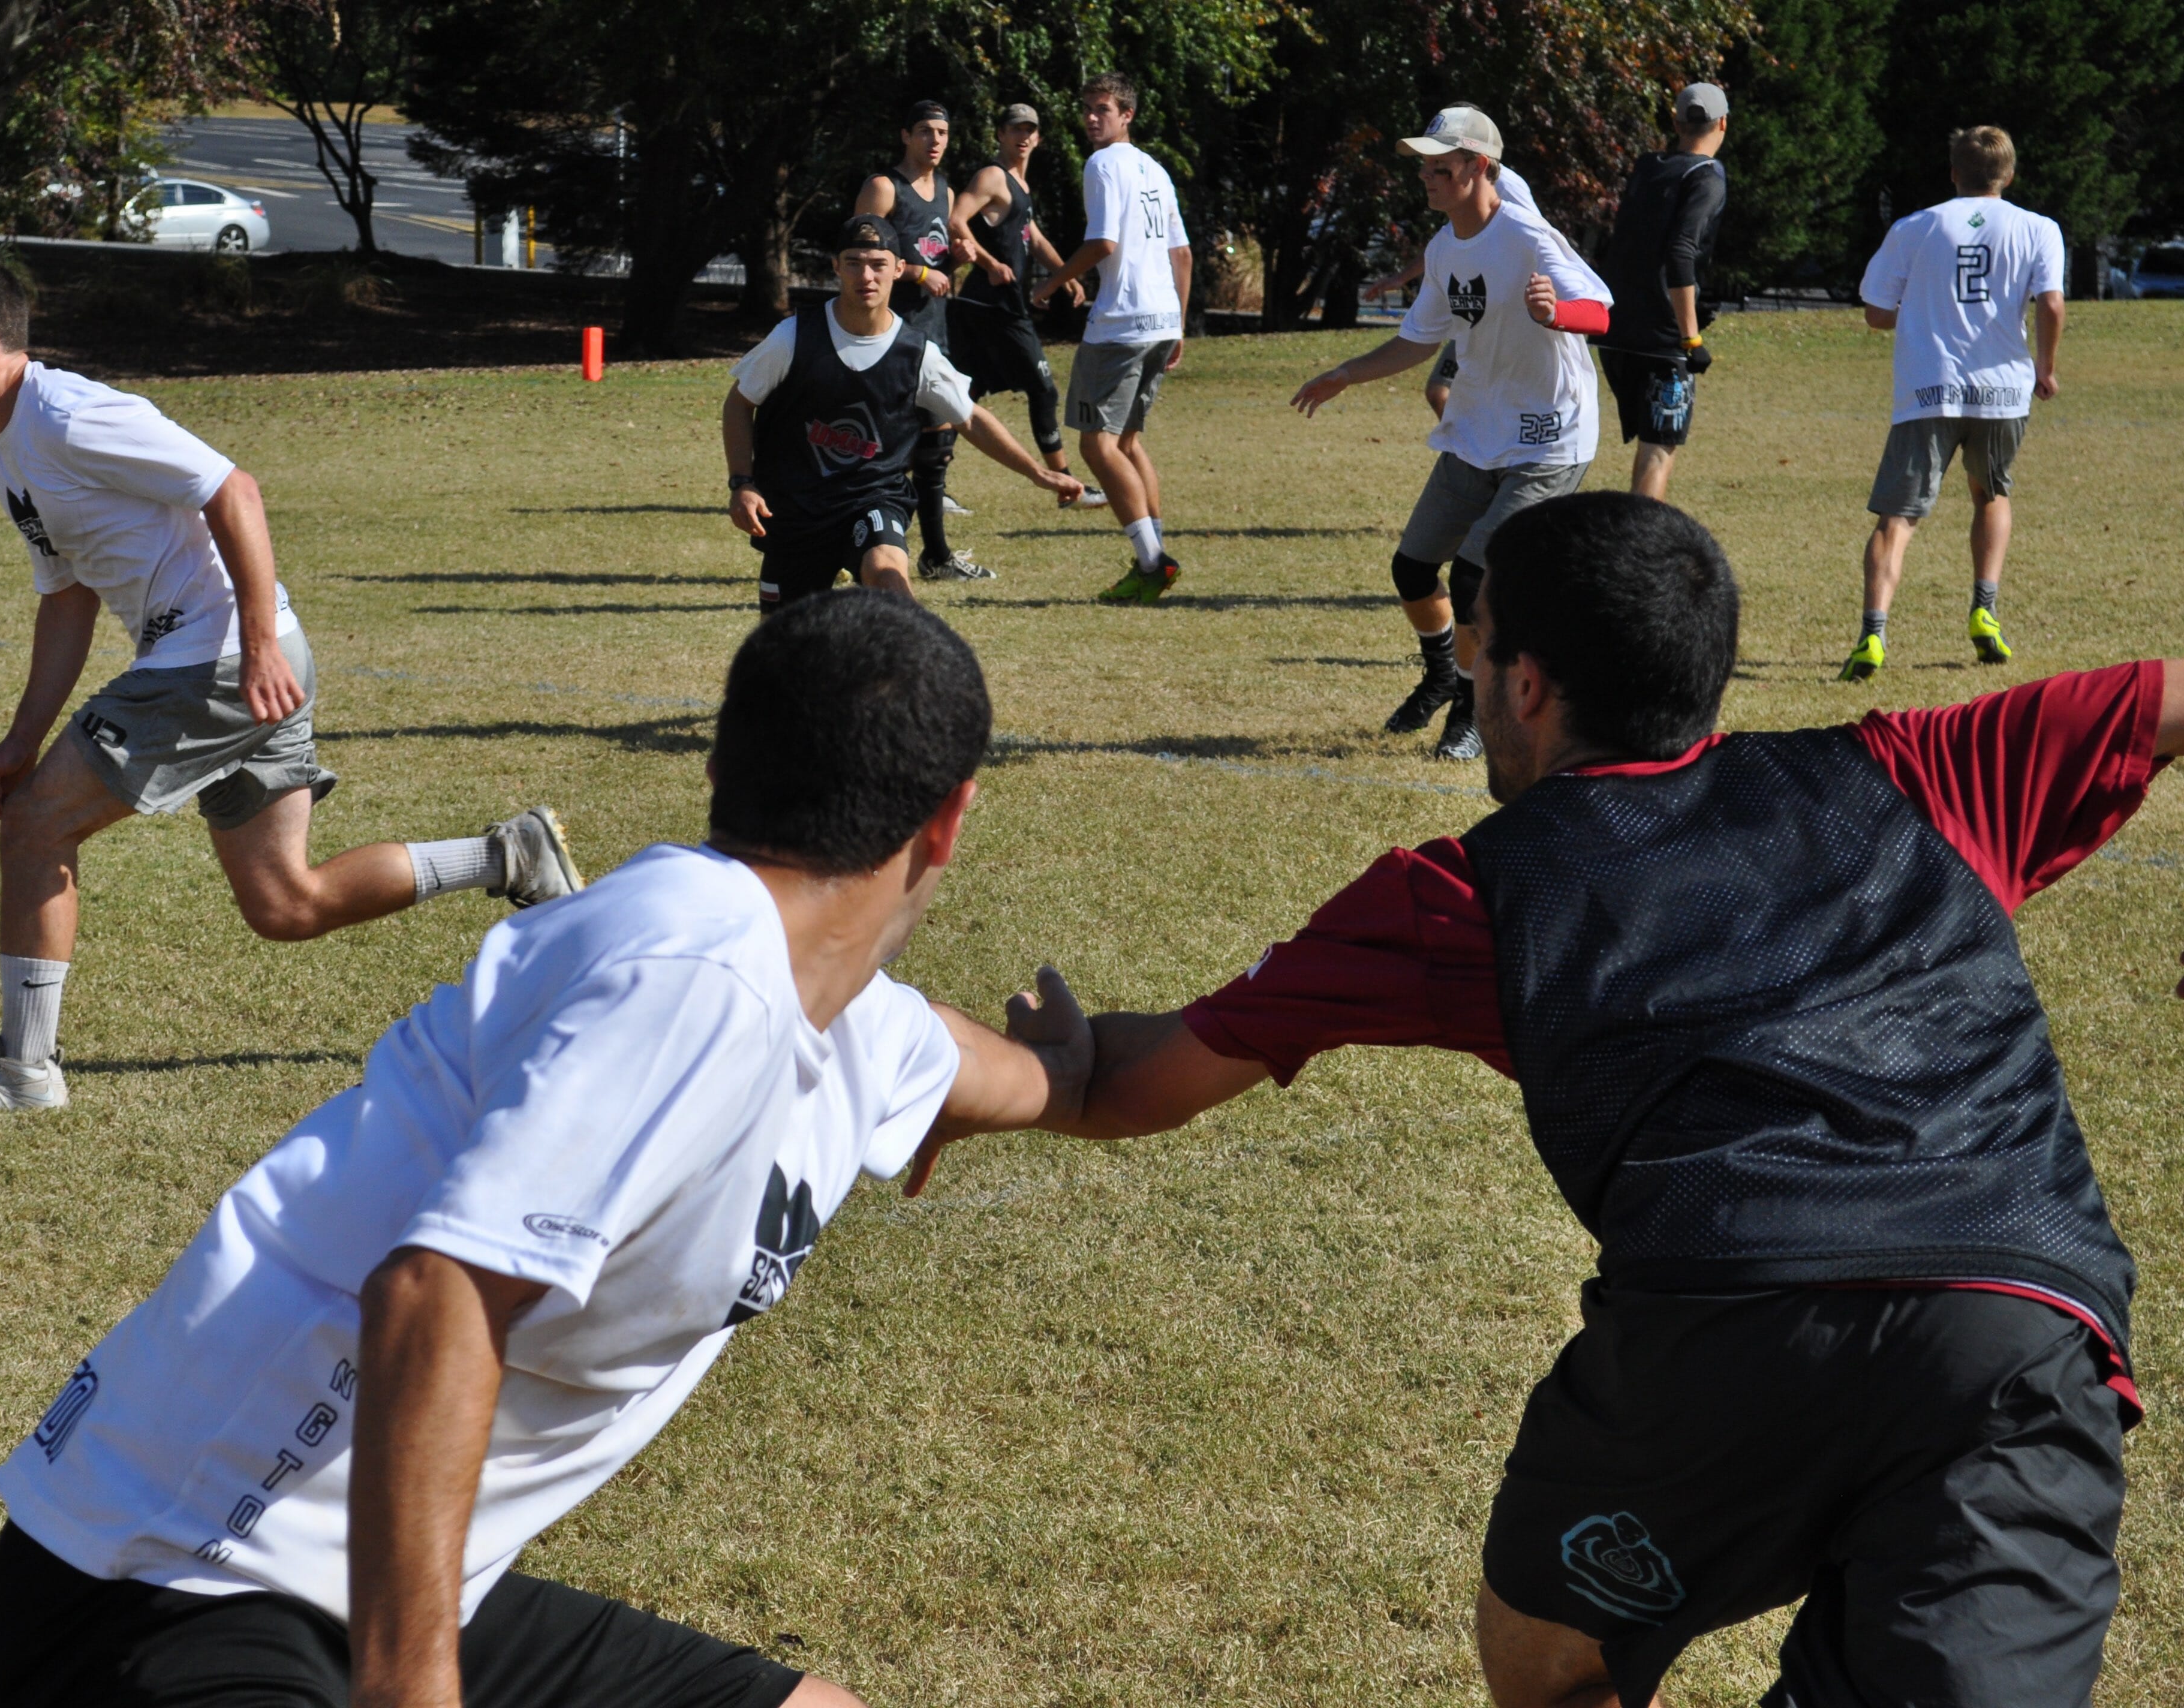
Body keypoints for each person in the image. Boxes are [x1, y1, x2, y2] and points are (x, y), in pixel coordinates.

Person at [925, 491, 2170, 1708]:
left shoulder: (1465, 893)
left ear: (1526, 684)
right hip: (2024, 1318)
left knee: (1550, 1653)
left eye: (1473, 656)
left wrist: (1025, 1065)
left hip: (1728, 1322)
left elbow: (1143, 1084)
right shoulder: (1916, 771)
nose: (1470, 682)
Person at [0, 591, 1068, 1708]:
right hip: (177, 1573)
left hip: (370, 1578)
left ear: (722, 764)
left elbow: (1080, 1080)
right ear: (949, 820)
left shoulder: (855, 1020)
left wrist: (1260, 1018)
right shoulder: (698, 965)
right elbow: (435, 1291)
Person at [0, 241, 580, 1114]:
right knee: (286, 903)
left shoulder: (67, 416)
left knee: (35, 830)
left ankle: (25, 1073)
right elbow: (68, 601)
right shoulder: (3, 455)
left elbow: (233, 490)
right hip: (236, 662)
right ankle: (508, 855)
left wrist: (255, 647)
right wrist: (22, 738)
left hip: (217, 664)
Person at [1290, 106, 1610, 762]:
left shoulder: (1524, 235)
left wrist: (1559, 312)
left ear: (1479, 168)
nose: (1426, 180)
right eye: (1425, 168)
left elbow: (1601, 310)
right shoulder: (1442, 249)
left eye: (1441, 168)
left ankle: (1472, 708)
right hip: (1477, 431)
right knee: (1411, 567)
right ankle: (1444, 674)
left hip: (1547, 436)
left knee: (1473, 579)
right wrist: (1346, 374)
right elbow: (1417, 338)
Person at [723, 215, 1082, 615]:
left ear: (898, 269)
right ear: (836, 267)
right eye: (855, 262)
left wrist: (1038, 472)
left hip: (873, 497)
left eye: (878, 264)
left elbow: (971, 417)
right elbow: (740, 403)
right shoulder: (794, 337)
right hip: (796, 507)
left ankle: (916, 664)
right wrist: (742, 483)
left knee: (889, 575)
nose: (867, 276)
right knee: (787, 648)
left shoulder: (917, 354)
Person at [1841, 124, 2064, 681]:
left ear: (1953, 174)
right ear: (2008, 176)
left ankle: (1873, 634)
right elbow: (2052, 305)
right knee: (1991, 495)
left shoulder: (1916, 226)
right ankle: (1985, 611)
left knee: (1897, 518)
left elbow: (1875, 312)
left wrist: (1920, 310)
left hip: (1928, 389)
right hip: (2002, 390)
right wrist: (2047, 368)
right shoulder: (2038, 228)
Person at [1030, 72, 1193, 606]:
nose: (1093, 118)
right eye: (1088, 109)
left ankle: (1152, 562)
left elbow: (1102, 241)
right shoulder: (1157, 169)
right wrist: (1179, 323)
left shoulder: (1102, 165)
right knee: (1127, 443)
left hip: (1121, 323)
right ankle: (1154, 558)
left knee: (1097, 444)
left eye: (1104, 109)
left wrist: (1051, 282)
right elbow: (1182, 254)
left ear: (1127, 115)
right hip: (1160, 318)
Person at [946, 101, 1108, 508]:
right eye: (1015, 129)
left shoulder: (1020, 186)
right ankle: (1068, 485)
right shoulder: (992, 176)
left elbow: (1033, 238)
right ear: (1000, 134)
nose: (1024, 137)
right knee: (1043, 388)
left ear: (1038, 137)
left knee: (962, 394)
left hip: (991, 307)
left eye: (1030, 130)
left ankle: (930, 481)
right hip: (991, 307)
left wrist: (1065, 276)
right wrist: (989, 262)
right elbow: (956, 220)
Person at [856, 101, 985, 581]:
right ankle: (855, 549)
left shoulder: (946, 192)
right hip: (887, 335)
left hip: (933, 332)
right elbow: (864, 255)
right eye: (927, 132)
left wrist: (957, 258)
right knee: (873, 450)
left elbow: (936, 267)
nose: (936, 141)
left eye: (944, 133)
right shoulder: (885, 187)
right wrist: (922, 271)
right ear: (906, 135)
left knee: (936, 448)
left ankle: (935, 556)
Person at [1356, 110, 1540, 422]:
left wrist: (1547, 308)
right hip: (1473, 308)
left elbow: (1536, 244)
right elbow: (1452, 247)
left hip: (1505, 316)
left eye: (1440, 161)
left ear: (1475, 162)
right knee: (1440, 391)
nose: (1426, 173)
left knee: (1446, 391)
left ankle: (1480, 443)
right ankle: (1469, 444)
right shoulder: (1452, 214)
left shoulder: (1503, 187)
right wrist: (1400, 278)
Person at [1595, 82, 1729, 501]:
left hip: (1617, 334)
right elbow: (1681, 254)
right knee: (1658, 450)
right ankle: (1639, 552)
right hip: (1664, 342)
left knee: (1650, 444)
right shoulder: (1707, 176)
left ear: (1675, 122)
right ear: (1723, 123)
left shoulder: (1647, 166)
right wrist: (1691, 338)